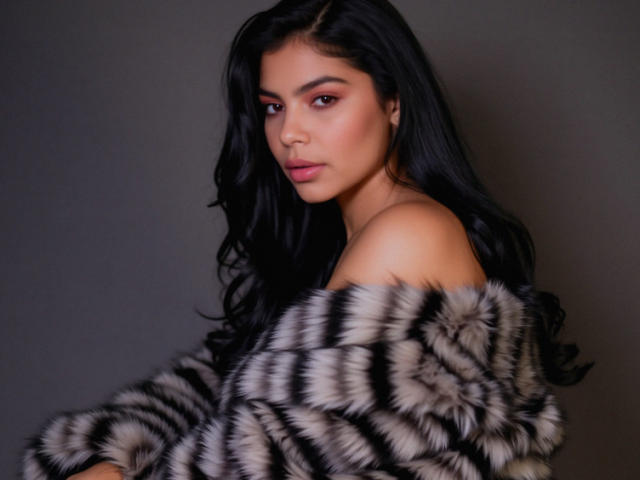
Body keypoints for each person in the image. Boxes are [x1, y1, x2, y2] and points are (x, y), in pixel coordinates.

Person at [22, 1, 592, 479]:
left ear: (393, 103)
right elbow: (227, 404)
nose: (289, 133)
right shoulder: (344, 245)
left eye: (323, 99)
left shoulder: (409, 233)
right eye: (273, 107)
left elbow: (263, 460)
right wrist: (117, 454)